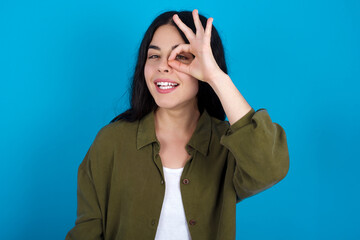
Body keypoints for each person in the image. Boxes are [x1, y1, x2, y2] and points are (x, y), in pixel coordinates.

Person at [65, 9, 289, 240]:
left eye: (181, 56)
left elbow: (269, 167)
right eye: (153, 56)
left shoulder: (227, 146)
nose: (163, 66)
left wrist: (216, 77)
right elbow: (86, 231)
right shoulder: (111, 142)